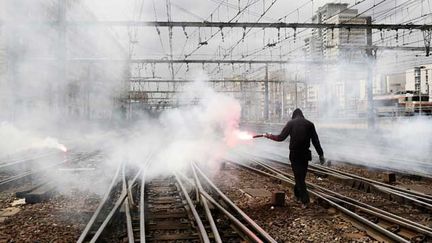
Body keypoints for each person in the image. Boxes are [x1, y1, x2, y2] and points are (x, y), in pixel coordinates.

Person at [263, 108, 325, 208]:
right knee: (301, 177)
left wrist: (269, 136)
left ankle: (305, 201)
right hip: (305, 154)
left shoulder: (291, 123)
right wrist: (321, 154)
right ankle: (297, 196)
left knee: (299, 177)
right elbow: (316, 141)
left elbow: (280, 138)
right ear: (302, 115)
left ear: (293, 115)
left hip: (295, 154)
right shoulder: (310, 124)